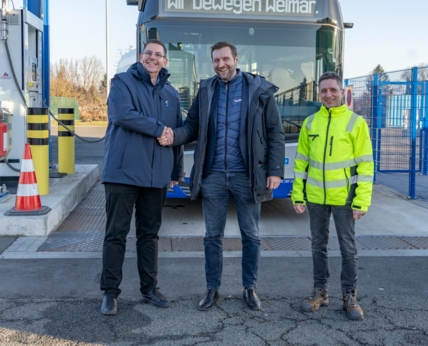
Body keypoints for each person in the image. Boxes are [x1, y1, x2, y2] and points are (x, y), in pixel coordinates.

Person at [158, 41, 285, 311]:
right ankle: (212, 289)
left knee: (251, 235)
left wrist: (275, 170)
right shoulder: (206, 90)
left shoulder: (258, 89)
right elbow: (192, 125)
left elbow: (275, 131)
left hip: (247, 176)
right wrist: (172, 136)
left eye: (225, 59)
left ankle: (249, 288)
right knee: (212, 236)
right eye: (216, 60)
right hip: (213, 176)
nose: (221, 64)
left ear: (236, 60)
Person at [100, 39, 183, 315]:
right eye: (148, 53)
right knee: (116, 234)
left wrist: (176, 171)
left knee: (149, 236)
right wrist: (159, 129)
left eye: (158, 54)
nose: (152, 57)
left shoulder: (171, 93)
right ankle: (110, 293)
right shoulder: (122, 82)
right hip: (122, 173)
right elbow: (122, 115)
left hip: (156, 176)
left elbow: (176, 134)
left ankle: (149, 288)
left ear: (165, 61)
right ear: (140, 56)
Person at [292, 72, 374, 321]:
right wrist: (298, 195)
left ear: (342, 92)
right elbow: (301, 163)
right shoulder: (310, 123)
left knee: (348, 248)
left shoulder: (356, 123)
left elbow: (366, 165)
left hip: (345, 198)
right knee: (318, 246)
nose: (328, 95)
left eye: (332, 90)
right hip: (315, 196)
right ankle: (320, 292)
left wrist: (362, 200)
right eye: (324, 91)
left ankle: (349, 296)